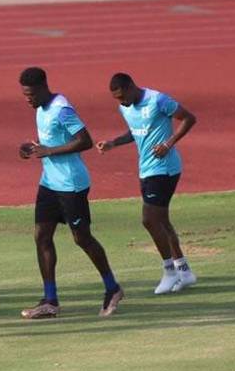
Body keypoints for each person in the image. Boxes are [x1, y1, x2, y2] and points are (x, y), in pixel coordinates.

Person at [18, 68, 123, 319]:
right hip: (49, 183)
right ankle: (50, 301)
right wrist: (32, 149)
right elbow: (50, 141)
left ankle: (113, 288)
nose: (27, 99)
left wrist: (50, 151)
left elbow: (85, 141)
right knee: (41, 236)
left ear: (43, 87)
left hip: (71, 184)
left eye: (30, 94)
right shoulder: (42, 109)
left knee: (82, 238)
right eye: (24, 94)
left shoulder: (61, 109)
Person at [96, 73, 197, 294]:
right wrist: (114, 143)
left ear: (131, 86)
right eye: (116, 99)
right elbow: (135, 132)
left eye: (122, 96)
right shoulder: (125, 107)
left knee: (149, 220)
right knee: (161, 220)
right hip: (146, 169)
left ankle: (169, 271)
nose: (121, 102)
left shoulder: (158, 100)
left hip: (165, 168)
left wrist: (168, 144)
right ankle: (185, 271)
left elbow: (189, 118)